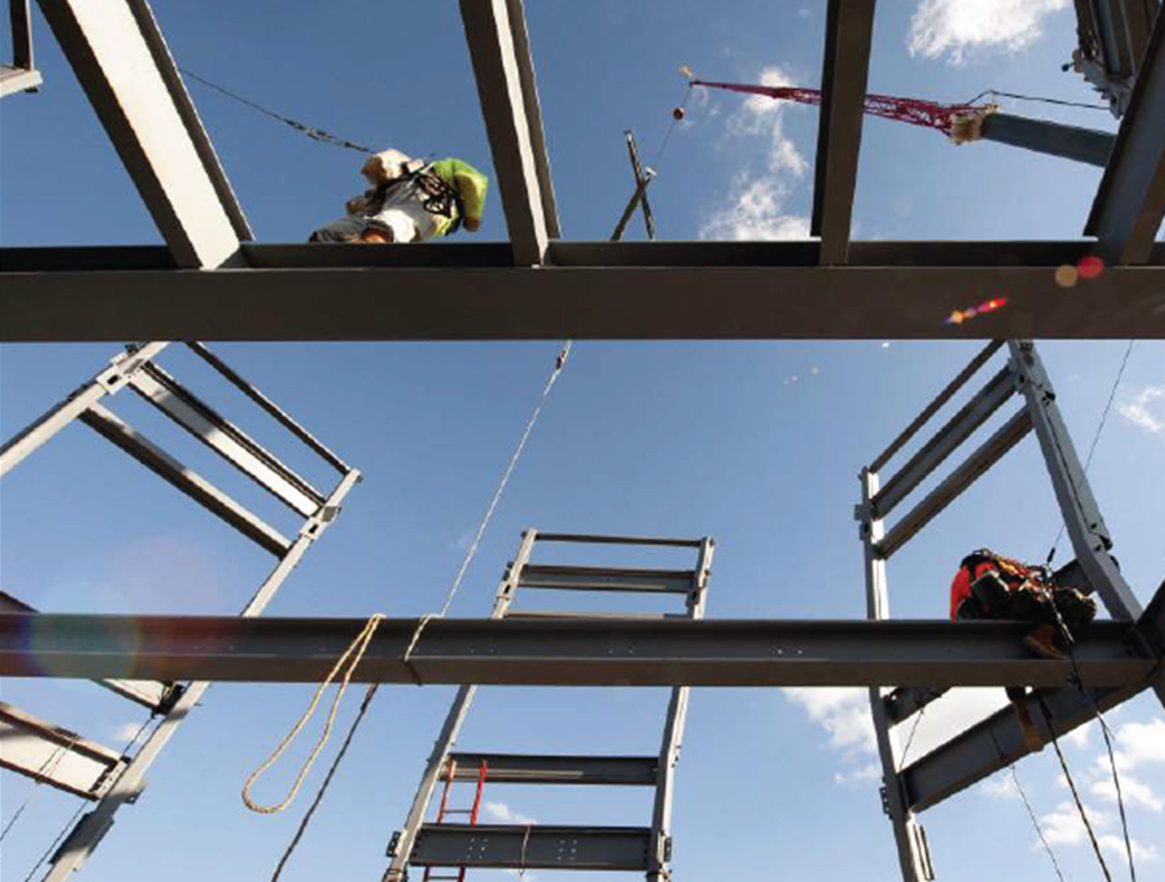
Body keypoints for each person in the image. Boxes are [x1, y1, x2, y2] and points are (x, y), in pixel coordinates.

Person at [950, 549, 1097, 750]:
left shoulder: (959, 580)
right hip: (1020, 609)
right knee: (1084, 605)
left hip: (991, 632)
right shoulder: (996, 564)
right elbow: (1027, 583)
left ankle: (1027, 724)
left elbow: (955, 619)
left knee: (1010, 670)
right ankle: (1044, 634)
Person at [310, 149, 488, 244]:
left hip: (425, 202)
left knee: (396, 220)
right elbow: (473, 182)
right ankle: (330, 244)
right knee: (335, 232)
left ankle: (371, 243)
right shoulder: (445, 166)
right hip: (405, 199)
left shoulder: (444, 168)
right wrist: (473, 218)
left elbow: (473, 182)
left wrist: (473, 217)